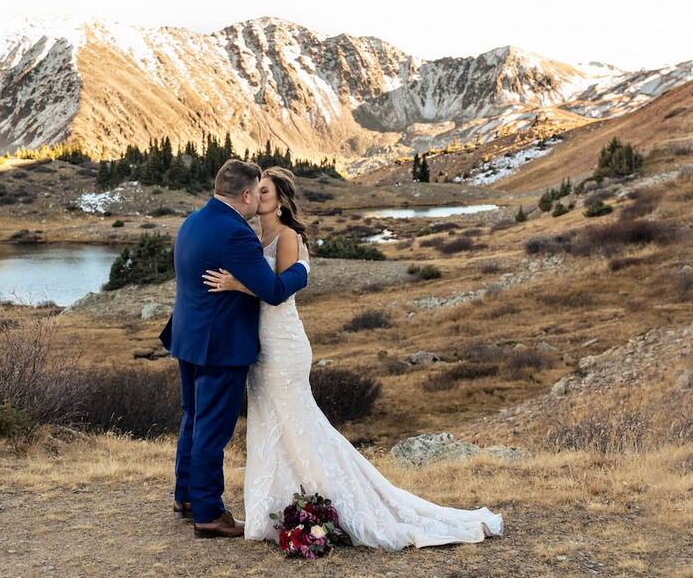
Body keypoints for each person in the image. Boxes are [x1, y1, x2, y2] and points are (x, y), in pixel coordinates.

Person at [202, 166, 504, 549]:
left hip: (282, 343)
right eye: (255, 189)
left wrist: (237, 284)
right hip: (261, 346)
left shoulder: (287, 236)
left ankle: (331, 504)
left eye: (265, 190)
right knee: (272, 424)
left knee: (299, 424)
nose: (256, 195)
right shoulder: (256, 236)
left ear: (280, 200)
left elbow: (276, 291)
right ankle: (281, 507)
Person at [160, 159, 310, 538]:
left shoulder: (194, 221)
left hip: (189, 338)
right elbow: (273, 290)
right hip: (220, 345)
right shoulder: (236, 233)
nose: (258, 197)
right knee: (212, 429)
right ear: (245, 195)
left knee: (193, 418)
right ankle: (209, 513)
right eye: (256, 191)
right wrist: (303, 269)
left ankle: (187, 497)